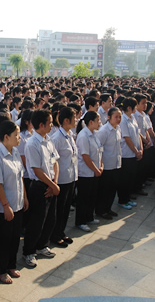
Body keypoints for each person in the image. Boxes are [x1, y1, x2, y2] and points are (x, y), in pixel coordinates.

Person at [0, 121, 27, 284]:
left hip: (17, 203)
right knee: (3, 240)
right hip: (4, 207)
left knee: (14, 238)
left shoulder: (16, 152)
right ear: (6, 137)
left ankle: (11, 265)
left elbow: (20, 177)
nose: (19, 138)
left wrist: (24, 197)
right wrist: (5, 206)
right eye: (16, 135)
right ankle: (0, 269)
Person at [23, 109, 60, 267]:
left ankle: (42, 245)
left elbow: (55, 162)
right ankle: (29, 252)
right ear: (41, 124)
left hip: (51, 184)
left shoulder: (49, 140)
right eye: (50, 123)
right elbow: (36, 169)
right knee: (36, 222)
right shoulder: (32, 143)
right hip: (39, 186)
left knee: (50, 219)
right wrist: (52, 185)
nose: (52, 125)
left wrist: (54, 183)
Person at [50, 106, 77, 246]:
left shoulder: (69, 135)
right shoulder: (57, 138)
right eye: (74, 118)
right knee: (59, 210)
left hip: (71, 177)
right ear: (66, 120)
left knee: (66, 208)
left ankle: (62, 232)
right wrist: (54, 181)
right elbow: (52, 162)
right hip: (61, 180)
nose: (76, 120)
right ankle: (55, 235)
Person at [75, 111, 103, 232]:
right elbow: (85, 156)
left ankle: (89, 217)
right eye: (98, 120)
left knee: (92, 196)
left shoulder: (95, 134)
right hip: (85, 173)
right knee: (84, 198)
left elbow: (100, 151)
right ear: (91, 122)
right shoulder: (83, 136)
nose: (100, 123)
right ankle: (81, 221)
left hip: (95, 172)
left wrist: (101, 166)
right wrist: (96, 169)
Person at [95, 107, 122, 220]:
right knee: (104, 190)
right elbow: (98, 148)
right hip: (106, 165)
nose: (118, 119)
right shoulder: (104, 131)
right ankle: (101, 210)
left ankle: (108, 208)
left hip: (116, 163)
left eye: (120, 117)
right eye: (116, 117)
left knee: (112, 189)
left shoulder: (118, 128)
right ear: (109, 117)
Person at [118, 97, 142, 210]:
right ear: (129, 107)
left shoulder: (132, 118)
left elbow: (138, 134)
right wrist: (136, 151)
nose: (136, 108)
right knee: (124, 179)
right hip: (127, 154)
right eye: (135, 106)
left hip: (134, 153)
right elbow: (127, 138)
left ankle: (127, 198)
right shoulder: (123, 120)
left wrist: (140, 149)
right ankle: (122, 200)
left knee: (131, 178)